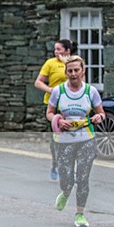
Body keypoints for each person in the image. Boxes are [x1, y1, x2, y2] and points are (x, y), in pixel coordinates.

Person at [46, 55, 106, 227]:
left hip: (86, 138)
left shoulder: (90, 91)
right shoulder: (58, 91)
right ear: (66, 72)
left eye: (76, 70)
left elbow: (100, 112)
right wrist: (58, 121)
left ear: (82, 71)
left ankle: (80, 214)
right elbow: (49, 112)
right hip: (63, 140)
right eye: (70, 71)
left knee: (83, 177)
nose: (73, 74)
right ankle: (65, 191)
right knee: (66, 178)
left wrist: (98, 117)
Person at [35, 39, 75, 180]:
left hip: (71, 105)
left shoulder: (74, 63)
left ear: (67, 51)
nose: (56, 52)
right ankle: (55, 163)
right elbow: (38, 82)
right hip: (53, 105)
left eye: (59, 49)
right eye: (55, 49)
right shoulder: (50, 63)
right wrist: (51, 90)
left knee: (73, 136)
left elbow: (82, 82)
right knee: (56, 137)